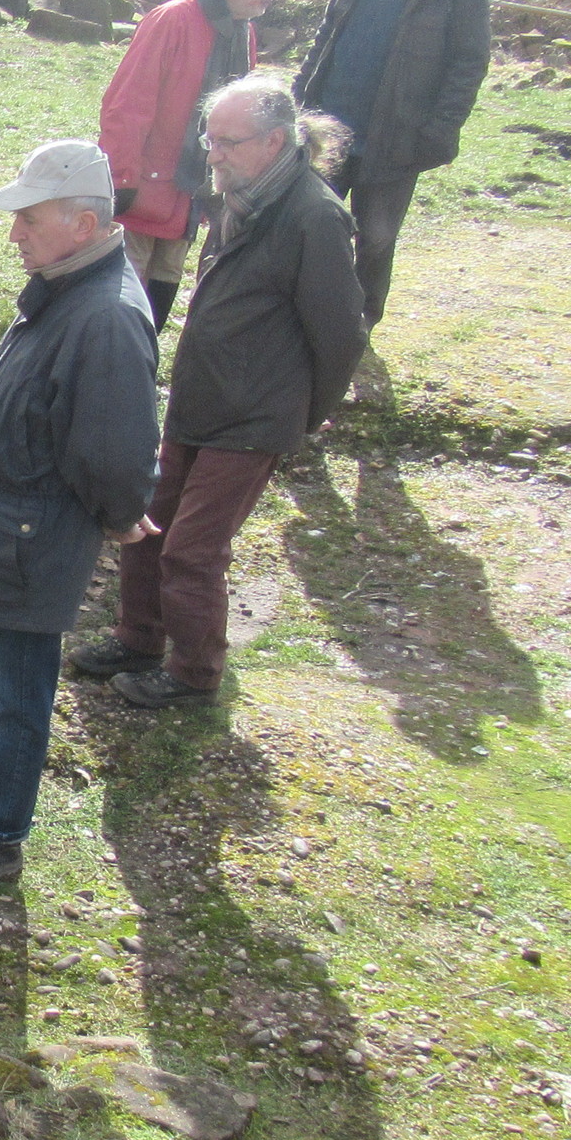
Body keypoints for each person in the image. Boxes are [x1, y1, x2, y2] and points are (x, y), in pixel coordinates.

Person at [0, 142, 161, 894]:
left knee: (15, 694)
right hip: (4, 526)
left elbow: (114, 449)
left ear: (83, 224)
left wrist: (122, 513)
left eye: (30, 220)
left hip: (33, 537)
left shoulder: (105, 317)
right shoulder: (66, 286)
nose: (15, 235)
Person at [71, 76, 368, 708]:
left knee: (193, 550)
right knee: (148, 527)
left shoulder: (314, 217)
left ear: (276, 141)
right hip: (200, 397)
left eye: (228, 142)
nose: (214, 154)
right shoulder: (239, 196)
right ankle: (139, 638)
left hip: (255, 416)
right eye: (210, 140)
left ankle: (194, 672)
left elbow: (342, 334)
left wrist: (303, 417)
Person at [291, 0, 490, 326]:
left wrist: (439, 130)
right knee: (311, 224)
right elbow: (326, 36)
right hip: (329, 126)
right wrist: (300, 95)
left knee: (377, 237)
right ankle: (302, 315)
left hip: (397, 134)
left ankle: (359, 323)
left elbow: (469, 64)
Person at [99, 0, 289, 330]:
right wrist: (121, 178)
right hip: (144, 186)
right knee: (123, 291)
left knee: (166, 281)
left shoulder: (243, 32)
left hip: (193, 188)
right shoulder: (172, 20)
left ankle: (143, 357)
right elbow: (127, 104)